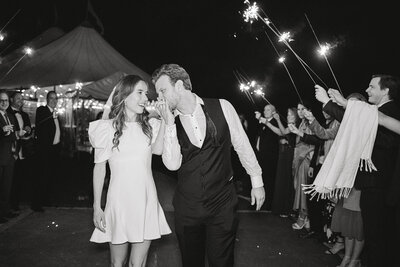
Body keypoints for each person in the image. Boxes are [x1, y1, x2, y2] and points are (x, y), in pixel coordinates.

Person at [152, 63, 265, 267]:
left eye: (162, 90)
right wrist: (168, 123)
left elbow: (242, 145)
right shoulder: (169, 122)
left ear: (178, 86)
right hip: (188, 208)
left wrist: (257, 181)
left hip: (222, 203)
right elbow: (171, 164)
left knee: (222, 262)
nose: (160, 97)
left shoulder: (223, 106)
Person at [315, 74, 400, 267]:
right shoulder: (378, 110)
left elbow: (361, 124)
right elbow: (357, 120)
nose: (367, 90)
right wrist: (336, 103)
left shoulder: (390, 110)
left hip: (378, 184)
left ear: (385, 90)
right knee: (373, 237)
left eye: (372, 87)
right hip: (370, 184)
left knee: (377, 238)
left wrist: (330, 103)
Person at [89, 75, 171, 267]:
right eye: (140, 93)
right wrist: (96, 206)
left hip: (145, 200)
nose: (145, 98)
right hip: (119, 201)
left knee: (138, 264)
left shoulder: (150, 126)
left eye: (146, 93)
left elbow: (158, 150)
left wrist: (166, 120)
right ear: (125, 96)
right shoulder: (107, 129)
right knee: (117, 263)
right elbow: (99, 168)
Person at [32, 91, 61, 212]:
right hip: (44, 150)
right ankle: (36, 203)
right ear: (47, 99)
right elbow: (42, 123)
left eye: (56, 99)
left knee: (50, 176)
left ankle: (46, 199)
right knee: (41, 176)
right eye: (51, 98)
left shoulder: (55, 113)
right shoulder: (42, 110)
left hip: (53, 150)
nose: (54, 101)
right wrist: (53, 116)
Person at [289, 102, 315, 230]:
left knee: (302, 189)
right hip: (298, 158)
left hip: (304, 160)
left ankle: (303, 217)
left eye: (302, 108)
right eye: (298, 109)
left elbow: (313, 144)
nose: (299, 111)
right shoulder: (302, 123)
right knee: (297, 187)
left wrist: (303, 155)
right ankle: (305, 216)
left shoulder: (310, 123)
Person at [8, 91, 34, 212]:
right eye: (18, 98)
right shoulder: (7, 113)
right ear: (11, 99)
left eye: (21, 99)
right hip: (11, 151)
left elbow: (28, 130)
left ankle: (15, 204)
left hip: (23, 151)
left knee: (19, 178)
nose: (20, 100)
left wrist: (28, 130)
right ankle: (7, 206)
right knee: (9, 180)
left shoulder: (24, 115)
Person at [271, 107, 297, 217]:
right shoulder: (290, 126)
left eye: (291, 114)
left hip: (291, 155)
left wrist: (277, 120)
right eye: (287, 114)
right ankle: (284, 208)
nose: (288, 116)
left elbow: (283, 132)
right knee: (284, 179)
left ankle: (288, 209)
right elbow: (281, 133)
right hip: (285, 155)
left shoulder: (294, 126)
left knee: (288, 180)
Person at [254, 105, 280, 210]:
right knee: (263, 179)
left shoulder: (274, 122)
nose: (265, 111)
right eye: (264, 109)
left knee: (269, 180)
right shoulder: (263, 122)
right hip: (262, 155)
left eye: (268, 109)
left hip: (270, 156)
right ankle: (261, 202)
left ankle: (268, 203)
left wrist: (262, 120)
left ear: (274, 112)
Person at [0, 90, 19, 223]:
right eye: (1, 100)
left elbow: (13, 136)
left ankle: (4, 211)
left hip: (10, 156)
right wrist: (2, 131)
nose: (4, 103)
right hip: (1, 156)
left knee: (7, 187)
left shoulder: (9, 116)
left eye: (6, 100)